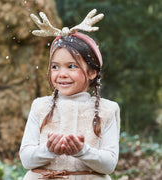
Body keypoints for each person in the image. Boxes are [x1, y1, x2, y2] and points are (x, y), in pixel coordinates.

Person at [19, 9, 120, 180]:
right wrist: (49, 150)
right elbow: (26, 159)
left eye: (71, 66)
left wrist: (82, 151)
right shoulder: (40, 106)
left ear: (92, 72)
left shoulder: (107, 110)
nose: (62, 74)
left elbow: (109, 164)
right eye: (55, 66)